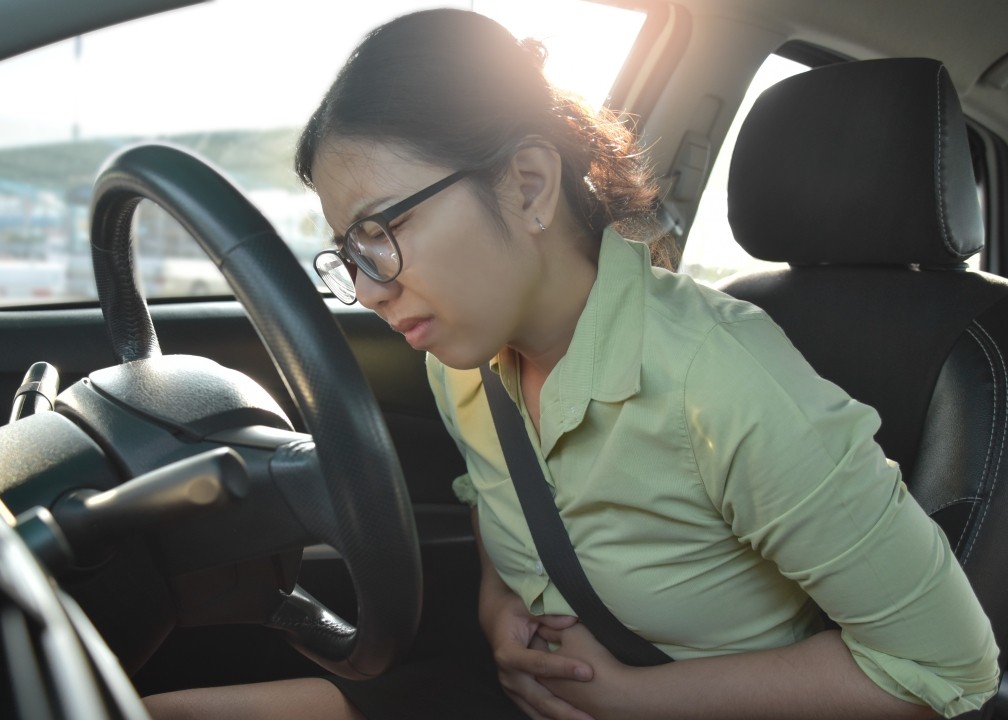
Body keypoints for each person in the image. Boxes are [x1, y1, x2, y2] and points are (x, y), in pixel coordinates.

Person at [145, 8, 999, 719]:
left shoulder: (727, 383)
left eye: (383, 232)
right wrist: (492, 609)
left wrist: (634, 697)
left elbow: (950, 671)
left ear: (526, 185)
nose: (366, 288)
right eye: (349, 249)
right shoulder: (462, 359)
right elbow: (496, 502)